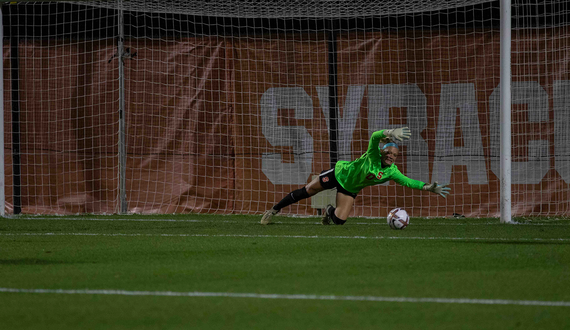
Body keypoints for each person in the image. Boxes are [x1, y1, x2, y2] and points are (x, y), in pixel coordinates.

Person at [260, 127, 451, 225]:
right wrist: (390, 132)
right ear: (383, 152)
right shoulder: (373, 154)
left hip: (350, 188)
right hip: (339, 173)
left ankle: (328, 211)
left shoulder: (392, 171)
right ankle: (274, 209)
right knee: (308, 191)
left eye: (395, 155)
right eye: (389, 153)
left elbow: (409, 182)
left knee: (339, 221)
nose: (391, 156)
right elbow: (376, 136)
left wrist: (427, 187)